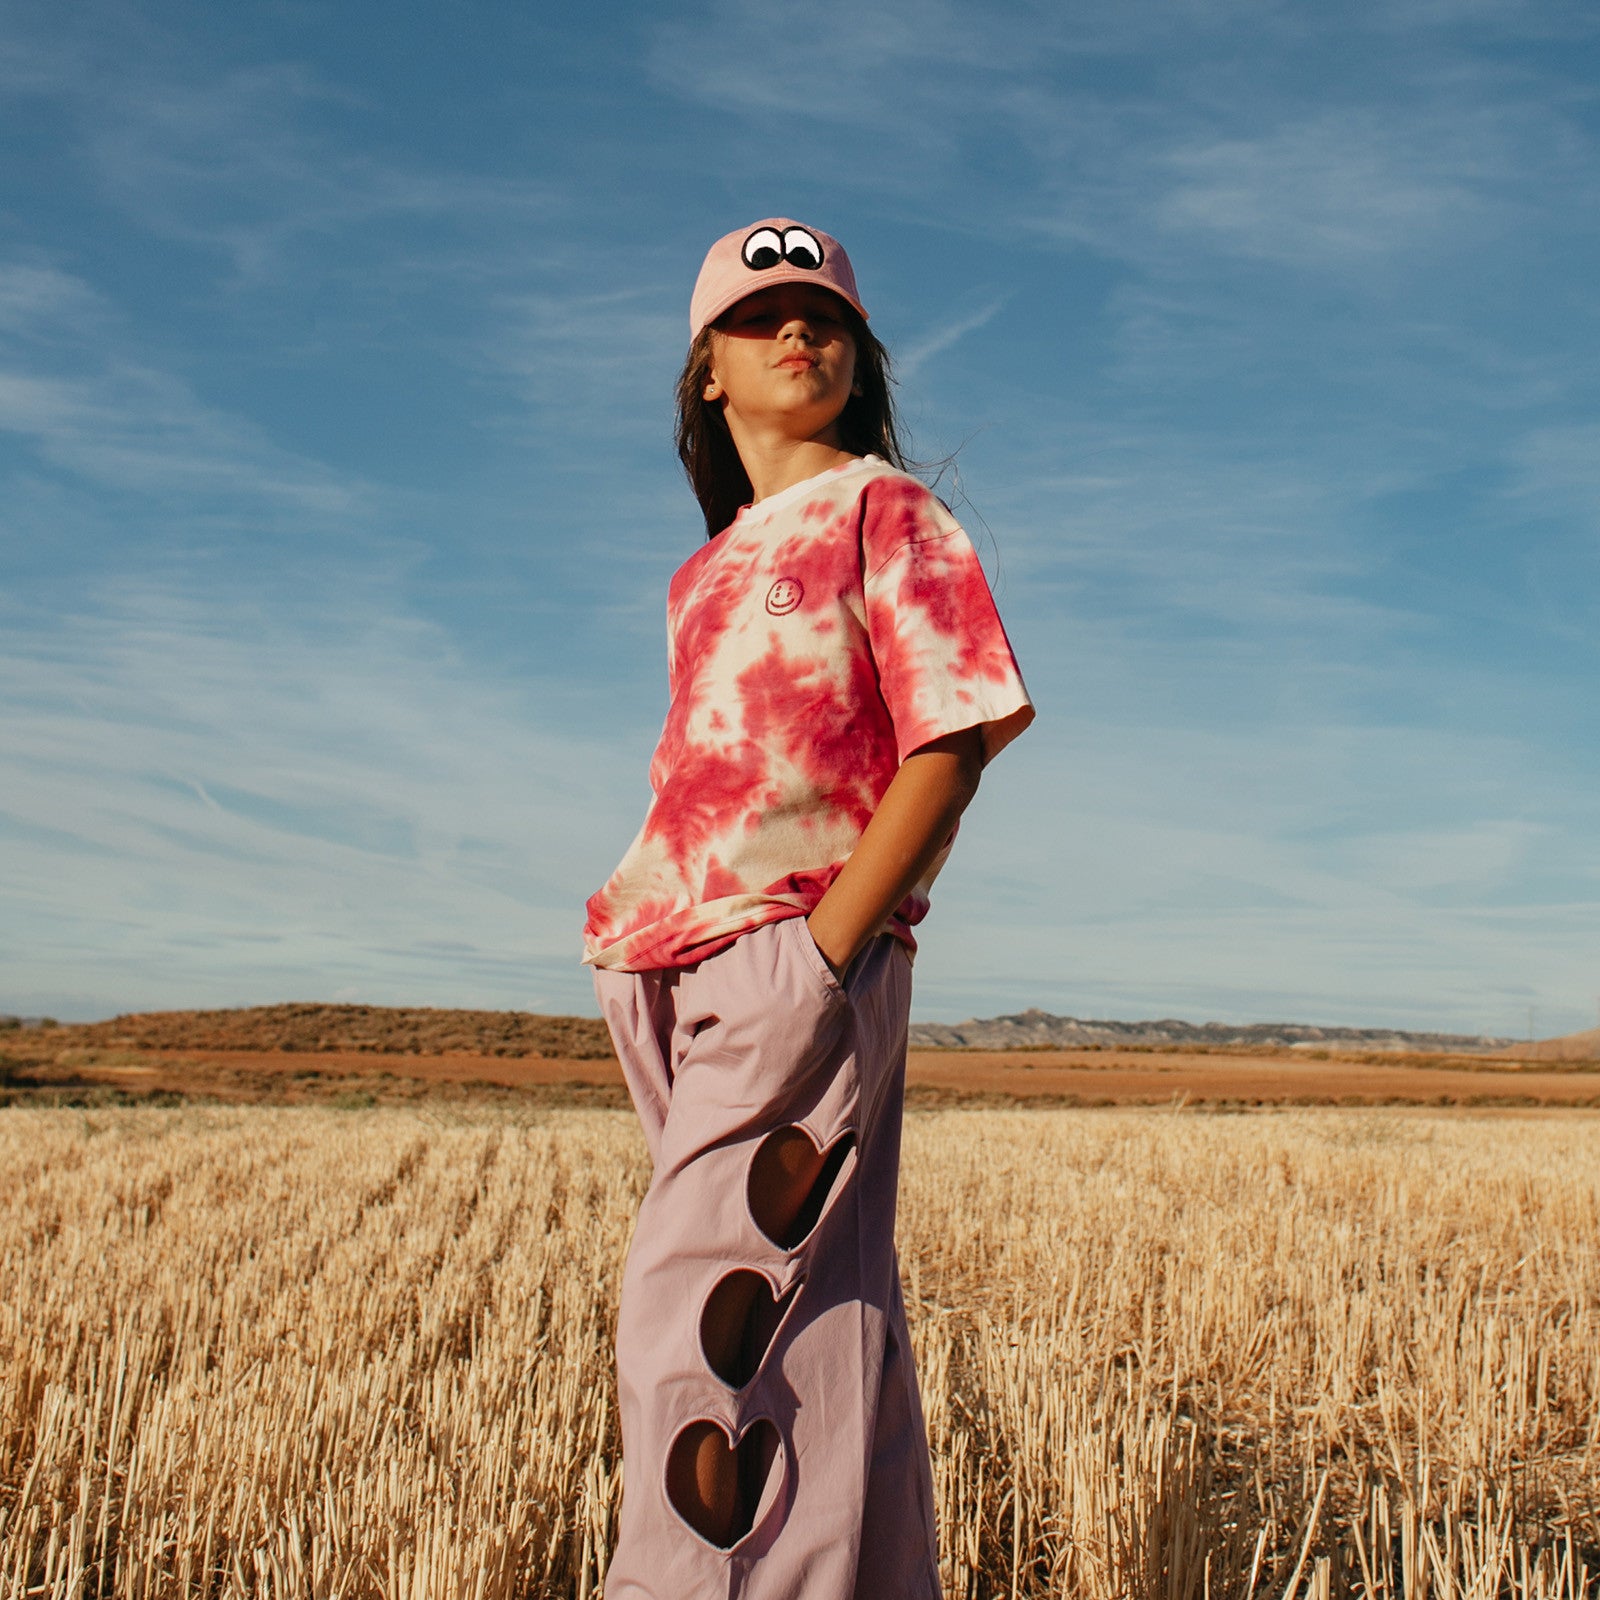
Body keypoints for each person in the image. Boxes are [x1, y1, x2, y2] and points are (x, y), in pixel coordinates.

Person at [584, 217, 1033, 1599]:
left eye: (825, 315)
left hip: (789, 957)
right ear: (704, 371)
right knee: (815, 1310)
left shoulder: (882, 510)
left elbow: (952, 740)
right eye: (761, 314)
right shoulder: (703, 573)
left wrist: (834, 945)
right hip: (672, 966)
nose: (800, 333)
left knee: (701, 1321)